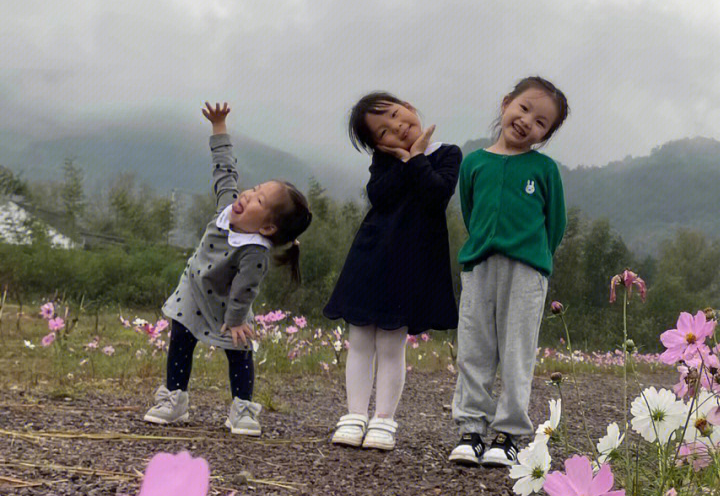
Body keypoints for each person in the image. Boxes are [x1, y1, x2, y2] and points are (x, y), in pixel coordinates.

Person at [144, 102, 312, 437]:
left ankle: (242, 410)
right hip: (193, 289)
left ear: (266, 229)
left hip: (230, 304)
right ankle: (174, 398)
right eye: (254, 190)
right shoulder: (226, 206)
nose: (248, 196)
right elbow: (224, 169)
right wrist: (219, 126)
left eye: (259, 202)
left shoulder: (255, 252)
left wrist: (235, 320)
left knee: (239, 349)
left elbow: (245, 289)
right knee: (180, 338)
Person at [324, 93, 461, 451]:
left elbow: (436, 194)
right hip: (370, 258)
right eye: (384, 131)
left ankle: (384, 419)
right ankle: (354, 415)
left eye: (398, 115)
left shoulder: (447, 153)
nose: (398, 127)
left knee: (390, 344)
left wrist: (415, 158)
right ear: (376, 144)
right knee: (359, 340)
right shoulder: (384, 162)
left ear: (411, 108)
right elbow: (379, 196)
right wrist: (400, 161)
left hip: (412, 264)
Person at [450, 76, 568, 469]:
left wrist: (533, 257)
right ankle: (471, 429)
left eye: (541, 122)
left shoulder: (544, 169)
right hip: (480, 266)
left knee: (517, 352)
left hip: (527, 271)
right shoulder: (474, 163)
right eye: (524, 108)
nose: (527, 121)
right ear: (505, 104)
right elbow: (470, 212)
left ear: (545, 135)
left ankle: (508, 434)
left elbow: (556, 225)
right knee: (474, 349)